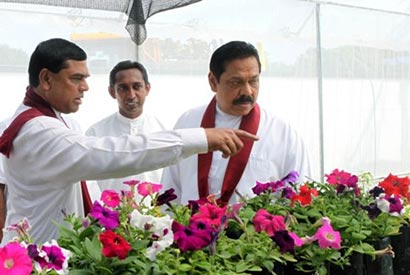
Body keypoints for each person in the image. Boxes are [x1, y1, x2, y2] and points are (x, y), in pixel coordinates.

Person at [0, 38, 258, 244]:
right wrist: (202, 137)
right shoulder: (37, 131)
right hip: (35, 257)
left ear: (148, 88)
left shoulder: (62, 122)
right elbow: (110, 154)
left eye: (86, 79)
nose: (85, 87)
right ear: (46, 79)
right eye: (76, 78)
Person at [161, 41, 311, 206]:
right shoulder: (188, 123)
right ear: (213, 81)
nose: (247, 91)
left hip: (253, 231)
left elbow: (299, 195)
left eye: (253, 81)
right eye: (236, 82)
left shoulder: (282, 133)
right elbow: (171, 187)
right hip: (193, 228)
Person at [86, 60, 165, 195]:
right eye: (123, 88)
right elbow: (88, 183)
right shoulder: (95, 133)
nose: (131, 95)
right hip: (110, 214)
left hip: (157, 213)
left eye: (137, 86)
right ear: (112, 92)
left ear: (147, 89)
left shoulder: (163, 130)